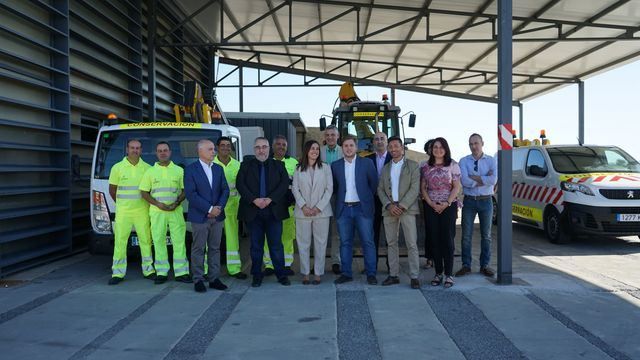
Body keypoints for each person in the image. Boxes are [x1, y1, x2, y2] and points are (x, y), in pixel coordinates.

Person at [237, 137, 291, 287]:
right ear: (254, 150)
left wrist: (269, 199)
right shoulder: (245, 166)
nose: (261, 150)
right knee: (256, 246)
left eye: (264, 147)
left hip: (273, 212)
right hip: (253, 212)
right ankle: (256, 275)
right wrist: (254, 200)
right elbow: (240, 185)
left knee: (276, 246)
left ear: (269, 148)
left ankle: (281, 275)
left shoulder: (279, 165)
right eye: (258, 147)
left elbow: (284, 184)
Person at [140, 142, 191, 284]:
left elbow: (185, 190)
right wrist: (158, 204)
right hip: (157, 212)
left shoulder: (179, 171)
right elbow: (143, 192)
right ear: (156, 153)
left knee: (179, 241)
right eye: (159, 151)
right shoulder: (150, 172)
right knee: (158, 241)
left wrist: (177, 203)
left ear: (170, 152)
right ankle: (162, 272)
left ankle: (181, 272)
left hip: (175, 211)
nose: (163, 153)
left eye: (165, 150)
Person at [331, 135, 378, 285]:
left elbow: (374, 185)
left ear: (356, 147)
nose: (348, 148)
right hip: (344, 209)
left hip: (362, 208)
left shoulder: (367, 163)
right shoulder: (336, 165)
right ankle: (346, 273)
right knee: (345, 243)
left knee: (368, 242)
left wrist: (365, 199)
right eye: (345, 146)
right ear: (342, 148)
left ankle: (371, 273)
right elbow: (335, 188)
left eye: (351, 145)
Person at [107, 139, 155, 285]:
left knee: (146, 241)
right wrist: (122, 204)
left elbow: (150, 190)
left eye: (138, 148)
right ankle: (118, 273)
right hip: (123, 212)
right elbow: (112, 190)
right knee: (120, 242)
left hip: (142, 211)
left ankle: (149, 270)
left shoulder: (148, 168)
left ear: (141, 150)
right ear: (127, 149)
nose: (135, 150)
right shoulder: (117, 167)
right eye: (132, 148)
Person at [184, 139, 230, 293]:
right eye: (210, 149)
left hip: (217, 217)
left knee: (215, 248)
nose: (214, 152)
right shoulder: (190, 170)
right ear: (200, 151)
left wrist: (218, 208)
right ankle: (198, 279)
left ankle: (214, 278)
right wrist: (209, 208)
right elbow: (191, 194)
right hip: (200, 217)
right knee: (198, 248)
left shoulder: (218, 169)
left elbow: (225, 190)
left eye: (213, 149)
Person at [377, 137, 422, 289]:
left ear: (402, 148)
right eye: (391, 147)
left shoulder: (413, 166)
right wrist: (389, 205)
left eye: (396, 146)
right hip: (389, 210)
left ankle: (414, 276)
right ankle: (393, 274)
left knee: (411, 243)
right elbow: (380, 189)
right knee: (391, 243)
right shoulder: (385, 168)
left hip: (407, 209)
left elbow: (415, 188)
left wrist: (402, 206)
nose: (393, 149)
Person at [421, 137, 461, 289]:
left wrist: (447, 203)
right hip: (431, 206)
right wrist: (431, 203)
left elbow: (456, 187)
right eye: (435, 147)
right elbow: (423, 188)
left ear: (446, 149)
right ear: (431, 150)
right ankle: (438, 273)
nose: (438, 149)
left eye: (441, 147)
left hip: (448, 206)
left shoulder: (453, 165)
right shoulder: (425, 166)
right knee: (435, 240)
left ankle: (449, 274)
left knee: (448, 240)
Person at [455, 133, 497, 278]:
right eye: (471, 144)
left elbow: (493, 180)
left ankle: (484, 265)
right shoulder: (463, 161)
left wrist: (475, 178)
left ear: (482, 143)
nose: (473, 146)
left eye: (476, 143)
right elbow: (464, 181)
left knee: (486, 235)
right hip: (469, 201)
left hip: (486, 201)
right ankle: (466, 265)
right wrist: (483, 179)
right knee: (466, 235)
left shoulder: (491, 161)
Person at [292, 140, 333, 285]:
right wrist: (303, 206)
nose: (315, 151)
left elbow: (329, 189)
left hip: (321, 212)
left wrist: (318, 207)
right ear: (306, 151)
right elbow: (295, 189)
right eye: (312, 148)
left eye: (317, 149)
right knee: (303, 243)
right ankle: (305, 272)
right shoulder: (298, 169)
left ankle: (318, 273)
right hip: (302, 212)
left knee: (320, 243)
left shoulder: (326, 168)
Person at [263, 135, 298, 276]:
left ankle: (287, 264)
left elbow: (298, 184)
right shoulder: (266, 162)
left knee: (288, 236)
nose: (281, 147)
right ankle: (269, 265)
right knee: (269, 236)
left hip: (288, 206)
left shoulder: (293, 163)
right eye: (278, 144)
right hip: (270, 207)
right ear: (273, 146)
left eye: (284, 144)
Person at [213, 137, 247, 280]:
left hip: (233, 206)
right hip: (215, 208)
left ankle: (234, 268)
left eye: (228, 146)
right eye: (223, 145)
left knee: (232, 238)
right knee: (212, 240)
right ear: (217, 147)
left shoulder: (237, 165)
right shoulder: (210, 164)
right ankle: (209, 269)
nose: (226, 148)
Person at [366, 131, 392, 273]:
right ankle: (372, 265)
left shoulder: (394, 158)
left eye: (382, 138)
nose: (380, 141)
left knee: (390, 235)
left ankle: (391, 266)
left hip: (390, 202)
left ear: (386, 141)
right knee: (372, 235)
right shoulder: (367, 160)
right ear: (373, 143)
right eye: (376, 139)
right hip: (373, 202)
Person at [320, 124, 344, 275]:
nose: (330, 137)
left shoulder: (344, 151)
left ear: (338, 136)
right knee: (320, 231)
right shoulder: (318, 152)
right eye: (327, 135)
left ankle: (336, 261)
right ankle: (319, 262)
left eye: (333, 135)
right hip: (321, 195)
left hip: (338, 195)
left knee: (336, 231)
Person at [421, 139, 435, 269]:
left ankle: (440, 257)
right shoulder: (423, 165)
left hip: (445, 203)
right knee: (430, 231)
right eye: (430, 148)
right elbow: (421, 186)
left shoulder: (449, 164)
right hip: (427, 202)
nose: (433, 150)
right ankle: (429, 259)